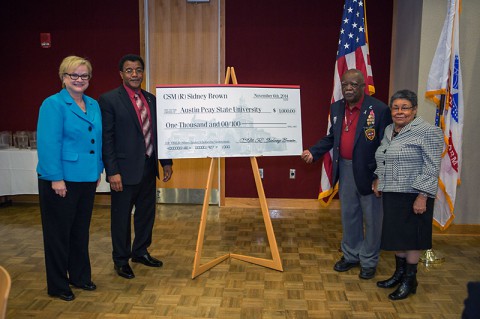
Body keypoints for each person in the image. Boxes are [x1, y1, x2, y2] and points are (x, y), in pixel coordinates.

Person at [301, 69, 391, 279]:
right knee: (349, 215)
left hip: (370, 173)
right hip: (346, 169)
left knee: (372, 219)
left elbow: (387, 145)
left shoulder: (378, 109)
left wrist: (380, 175)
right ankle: (351, 256)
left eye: (353, 84)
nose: (348, 88)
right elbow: (334, 136)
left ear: (363, 86)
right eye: (345, 85)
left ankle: (368, 260)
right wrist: (313, 152)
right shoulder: (336, 107)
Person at [99, 54, 173, 279]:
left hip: (149, 168)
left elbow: (159, 134)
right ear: (121, 73)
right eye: (129, 70)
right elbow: (107, 138)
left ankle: (140, 251)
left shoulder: (151, 99)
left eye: (138, 70)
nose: (134, 74)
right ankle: (120, 260)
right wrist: (112, 171)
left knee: (146, 214)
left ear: (143, 73)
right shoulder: (109, 100)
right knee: (121, 218)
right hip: (122, 172)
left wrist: (166, 162)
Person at [37, 56, 103, 301]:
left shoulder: (93, 104)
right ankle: (57, 284)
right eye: (73, 75)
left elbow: (97, 140)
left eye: (84, 76)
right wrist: (55, 178)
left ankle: (79, 276)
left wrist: (97, 170)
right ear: (63, 77)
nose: (79, 80)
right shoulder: (53, 104)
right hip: (60, 179)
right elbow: (48, 144)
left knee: (79, 231)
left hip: (86, 178)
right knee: (58, 234)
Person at [373, 89, 443, 300]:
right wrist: (378, 177)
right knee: (397, 237)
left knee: (412, 239)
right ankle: (399, 274)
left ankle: (410, 280)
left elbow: (432, 166)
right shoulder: (388, 130)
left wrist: (423, 195)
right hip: (392, 192)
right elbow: (383, 156)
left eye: (405, 107)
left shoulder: (428, 131)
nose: (399, 112)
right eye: (395, 107)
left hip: (414, 194)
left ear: (414, 110)